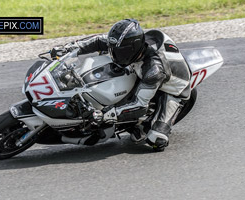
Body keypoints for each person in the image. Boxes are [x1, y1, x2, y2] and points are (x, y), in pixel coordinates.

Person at [51, 19, 191, 151]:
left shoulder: (153, 71)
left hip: (172, 90)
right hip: (141, 70)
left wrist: (105, 115)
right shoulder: (125, 44)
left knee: (155, 139)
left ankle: (149, 127)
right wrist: (68, 48)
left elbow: (139, 105)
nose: (113, 53)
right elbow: (99, 40)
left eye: (120, 51)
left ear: (131, 49)